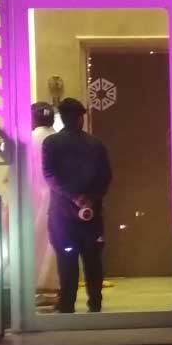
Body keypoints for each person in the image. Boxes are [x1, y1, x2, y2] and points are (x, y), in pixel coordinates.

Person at [41, 98, 112, 314]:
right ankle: (95, 304)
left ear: (61, 118)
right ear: (81, 118)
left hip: (62, 215)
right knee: (93, 261)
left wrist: (74, 197)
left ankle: (67, 306)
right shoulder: (96, 144)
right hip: (92, 215)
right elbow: (106, 177)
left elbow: (50, 175)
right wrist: (91, 198)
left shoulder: (51, 143)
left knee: (66, 262)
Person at [29, 102, 58, 301]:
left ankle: (36, 285)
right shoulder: (58, 137)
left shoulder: (31, 139)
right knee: (53, 242)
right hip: (58, 195)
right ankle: (53, 285)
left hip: (35, 196)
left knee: (35, 240)